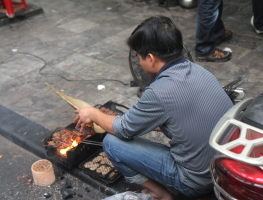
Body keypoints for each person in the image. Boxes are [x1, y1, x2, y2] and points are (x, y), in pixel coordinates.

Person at [74, 16, 233, 200]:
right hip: (221, 171)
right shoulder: (199, 70)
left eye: (138, 57)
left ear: (150, 58)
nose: (138, 62)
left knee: (111, 143)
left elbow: (123, 129)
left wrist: (92, 113)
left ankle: (163, 195)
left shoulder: (159, 92)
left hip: (196, 183)